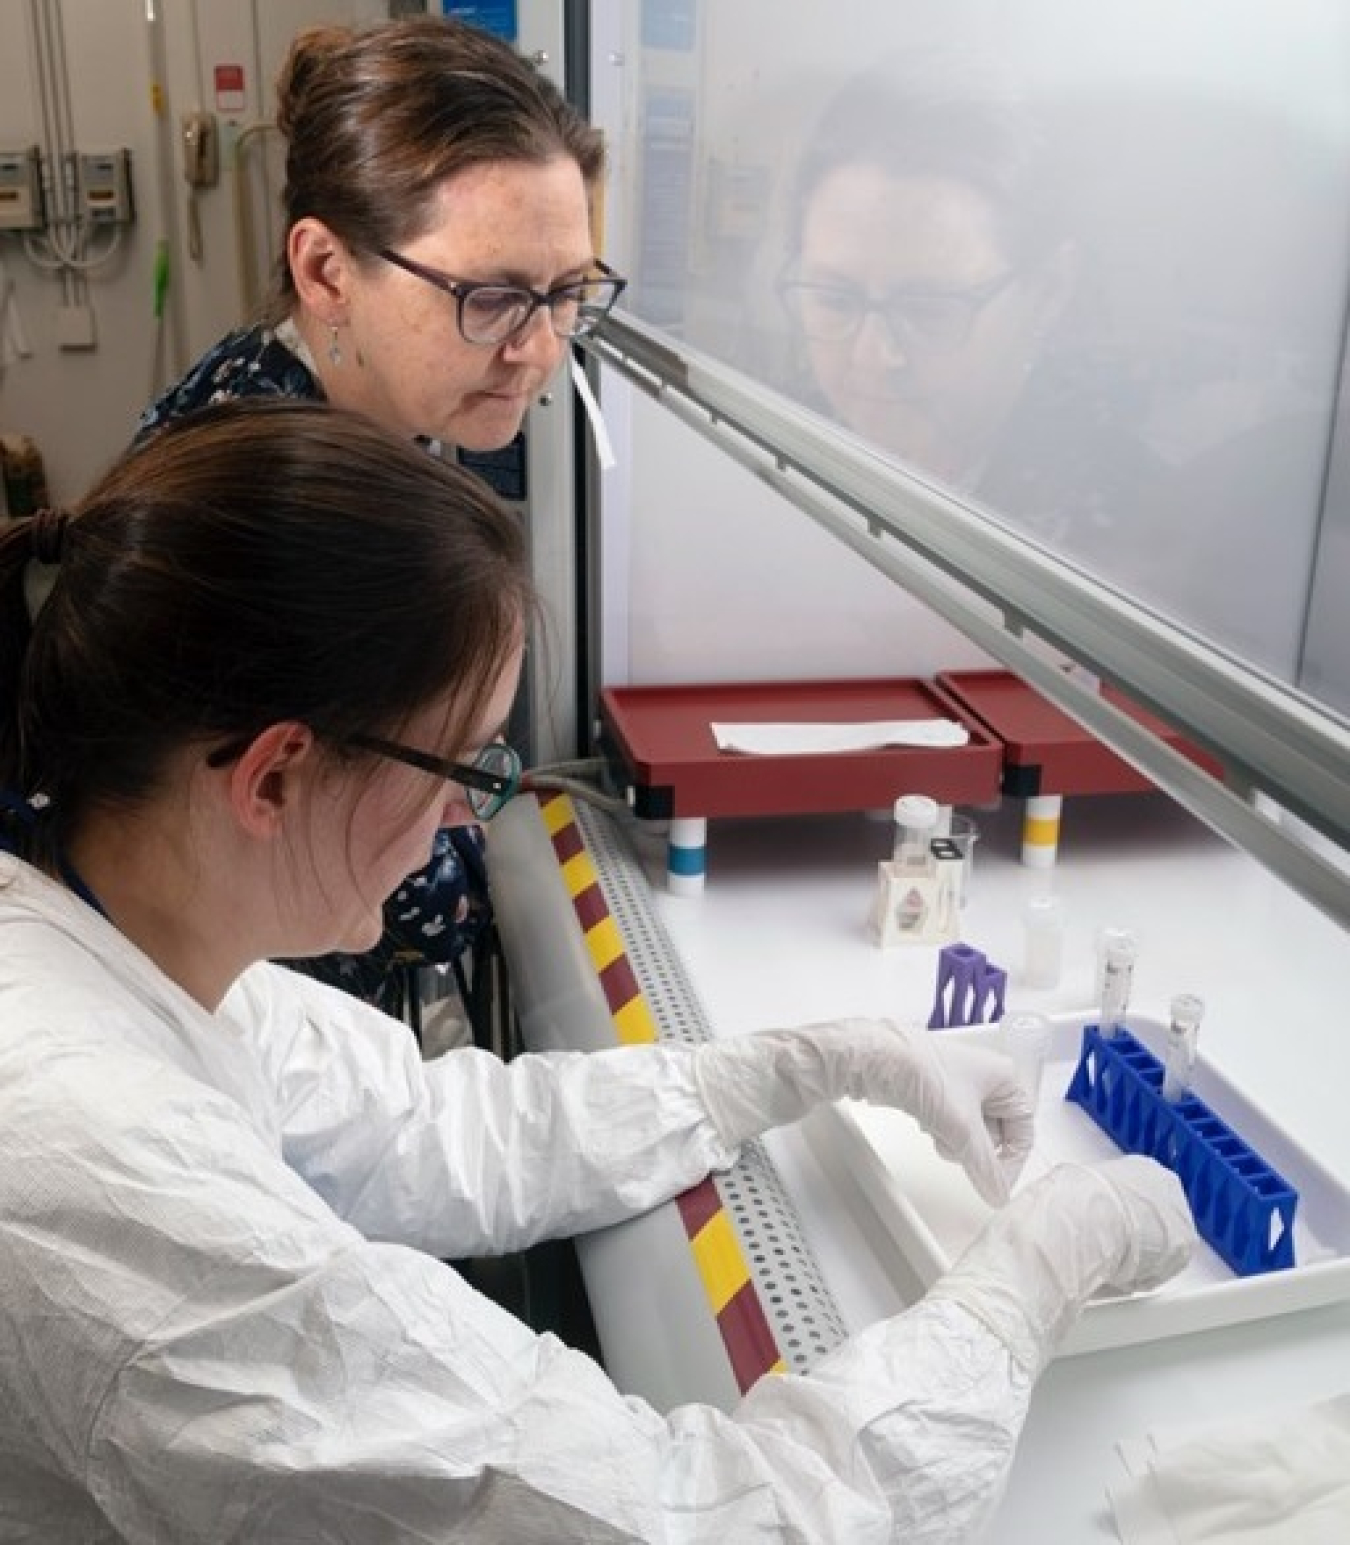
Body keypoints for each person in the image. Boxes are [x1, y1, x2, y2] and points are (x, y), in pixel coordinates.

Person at [0, 398, 1194, 1541]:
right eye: (465, 773)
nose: (469, 823)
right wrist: (1030, 1282)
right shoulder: (91, 1157)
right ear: (272, 779)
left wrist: (809, 1066)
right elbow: (706, 1520)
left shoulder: (136, 936)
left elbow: (425, 1130)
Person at [136, 14, 624, 1013]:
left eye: (566, 293)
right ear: (325, 272)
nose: (536, 349)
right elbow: (421, 907)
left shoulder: (311, 393)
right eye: (490, 296)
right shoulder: (291, 510)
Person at [775, 61, 1161, 558]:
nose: (872, 357)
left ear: (1048, 291)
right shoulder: (779, 429)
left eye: (928, 309)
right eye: (836, 299)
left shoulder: (1130, 541)